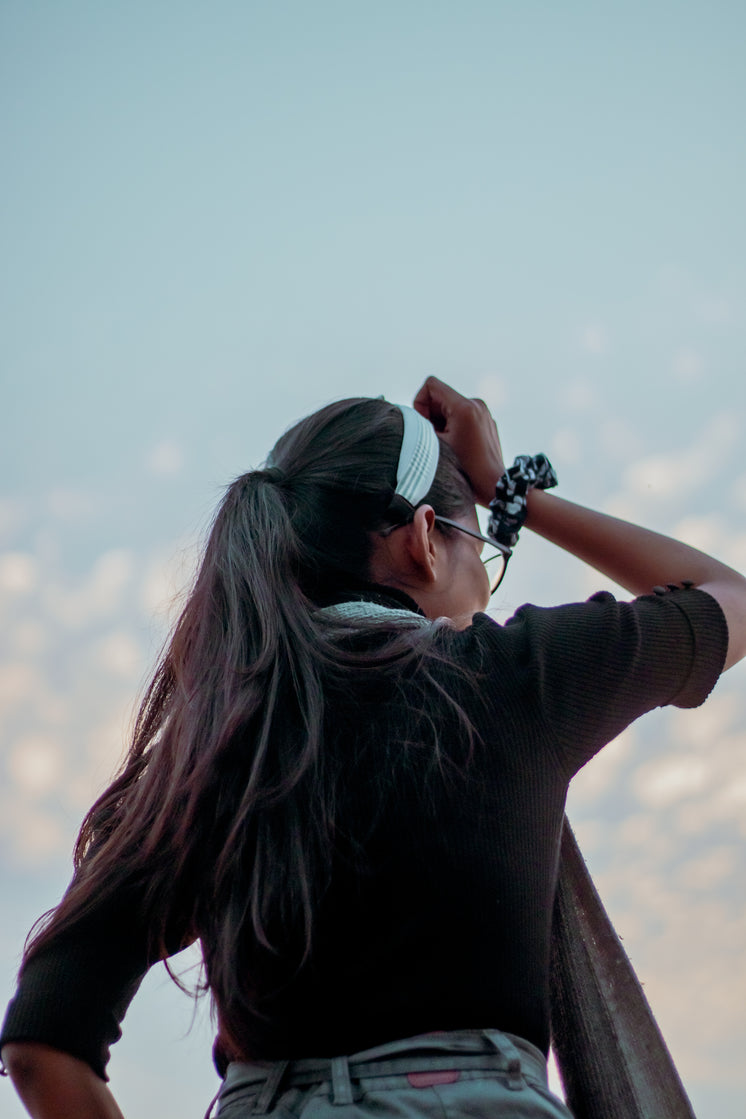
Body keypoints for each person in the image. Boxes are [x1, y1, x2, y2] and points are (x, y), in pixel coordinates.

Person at [2, 378, 745, 1119]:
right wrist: (513, 491)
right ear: (425, 538)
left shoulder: (213, 749)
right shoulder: (516, 678)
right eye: (482, 550)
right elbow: (727, 594)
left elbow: (43, 1042)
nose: (485, 587)